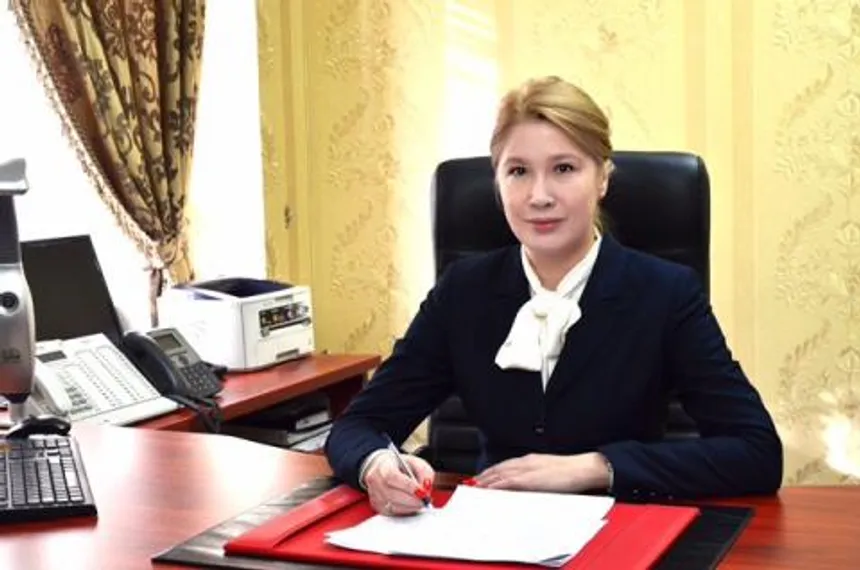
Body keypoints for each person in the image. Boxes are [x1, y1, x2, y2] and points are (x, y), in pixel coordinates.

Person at [324, 75, 783, 517]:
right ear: (497, 182)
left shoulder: (666, 293)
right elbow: (358, 426)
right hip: (490, 532)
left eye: (564, 169)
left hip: (621, 527)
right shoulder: (462, 291)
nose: (539, 196)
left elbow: (757, 452)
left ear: (602, 178)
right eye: (518, 171)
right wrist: (378, 466)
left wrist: (597, 467)